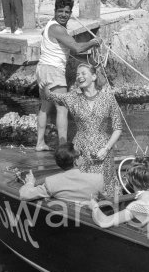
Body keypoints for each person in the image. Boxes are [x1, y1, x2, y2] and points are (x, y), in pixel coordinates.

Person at [39, 63, 122, 197]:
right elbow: (51, 97)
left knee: (105, 187)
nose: (79, 77)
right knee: (83, 186)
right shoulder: (72, 98)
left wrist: (106, 148)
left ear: (94, 77)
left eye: (83, 73)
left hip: (103, 149)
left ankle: (108, 210)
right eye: (77, 75)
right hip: (80, 150)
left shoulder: (108, 98)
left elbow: (117, 128)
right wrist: (45, 90)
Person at [35, 0, 102, 151]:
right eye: (60, 11)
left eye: (67, 12)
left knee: (45, 107)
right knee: (62, 108)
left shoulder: (49, 26)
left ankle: (40, 143)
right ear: (55, 11)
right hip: (53, 70)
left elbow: (65, 49)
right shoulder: (57, 28)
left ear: (71, 13)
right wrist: (93, 42)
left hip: (43, 69)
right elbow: (77, 48)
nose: (64, 15)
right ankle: (63, 147)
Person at [88, 157, 149, 236]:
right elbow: (134, 196)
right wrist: (108, 199)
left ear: (131, 179)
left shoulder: (139, 205)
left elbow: (104, 222)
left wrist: (94, 206)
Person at [19, 142, 104, 202]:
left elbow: (24, 195)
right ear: (76, 161)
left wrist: (29, 183)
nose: (82, 156)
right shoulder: (97, 179)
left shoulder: (51, 182)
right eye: (80, 154)